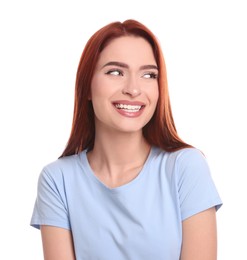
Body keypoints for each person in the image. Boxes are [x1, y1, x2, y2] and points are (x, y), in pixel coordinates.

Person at [30, 19, 222, 260]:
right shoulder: (58, 180)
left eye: (148, 75)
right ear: (87, 86)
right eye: (115, 72)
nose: (133, 88)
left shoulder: (185, 168)